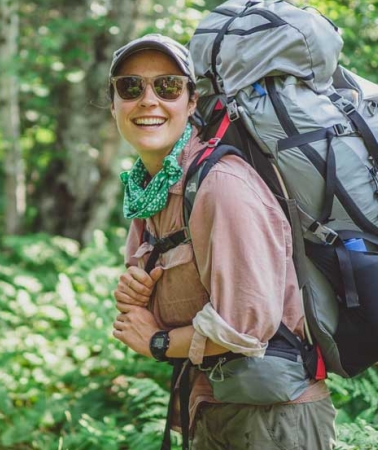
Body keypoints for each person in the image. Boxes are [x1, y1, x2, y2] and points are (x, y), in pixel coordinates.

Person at [109, 34, 336, 449]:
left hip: (272, 419)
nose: (148, 100)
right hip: (211, 404)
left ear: (191, 102)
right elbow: (156, 286)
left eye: (167, 86)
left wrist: (157, 342)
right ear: (113, 104)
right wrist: (137, 292)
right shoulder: (150, 190)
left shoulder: (221, 185)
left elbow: (246, 327)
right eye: (130, 87)